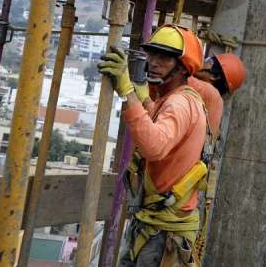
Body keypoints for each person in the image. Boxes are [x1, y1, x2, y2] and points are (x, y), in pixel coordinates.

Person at [98, 24, 243, 265]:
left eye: (164, 57)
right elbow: (165, 125)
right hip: (158, 223)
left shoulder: (183, 102)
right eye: (152, 54)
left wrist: (128, 92)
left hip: (162, 231)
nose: (153, 62)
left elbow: (155, 146)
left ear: (184, 66)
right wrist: (143, 97)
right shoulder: (180, 99)